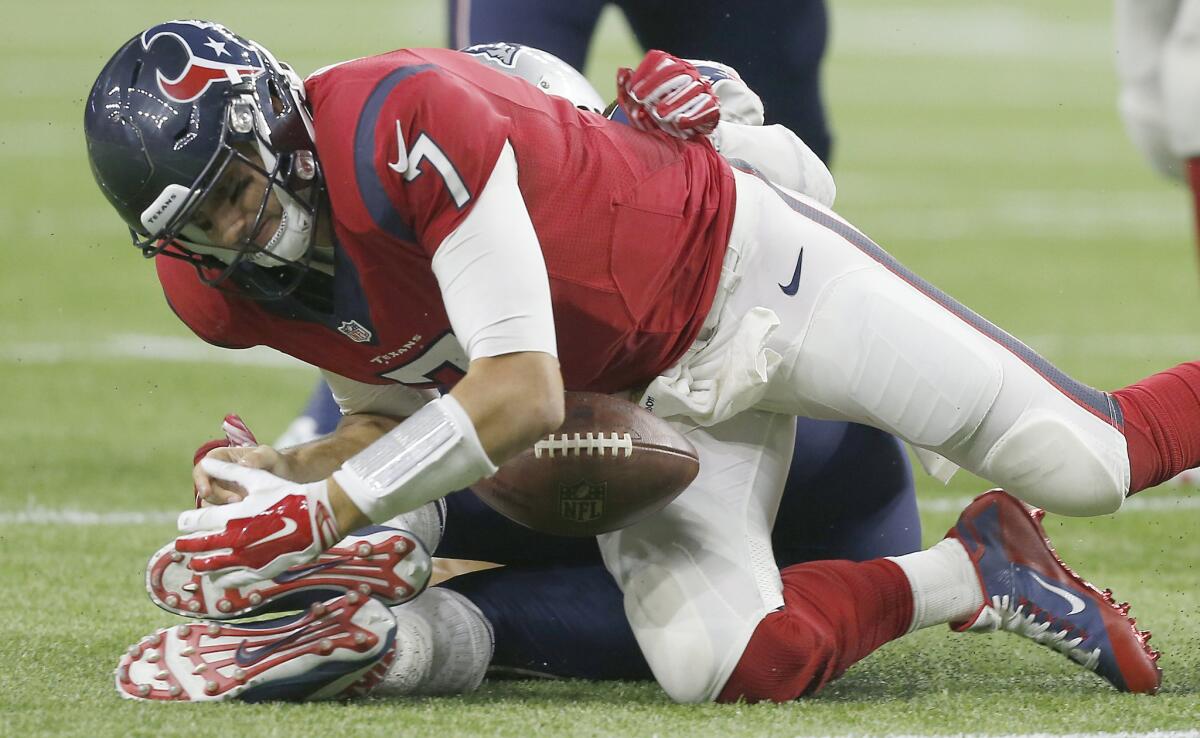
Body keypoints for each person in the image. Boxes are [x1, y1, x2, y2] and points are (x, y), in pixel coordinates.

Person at [88, 21, 1182, 703]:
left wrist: (326, 508)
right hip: (644, 400)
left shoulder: (396, 124)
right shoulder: (222, 291)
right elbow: (393, 403)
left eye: (237, 188)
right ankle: (976, 570)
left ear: (270, 119)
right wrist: (304, 468)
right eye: (201, 227)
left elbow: (519, 389)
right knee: (729, 669)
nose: (239, 232)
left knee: (1088, 461)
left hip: (747, 278)